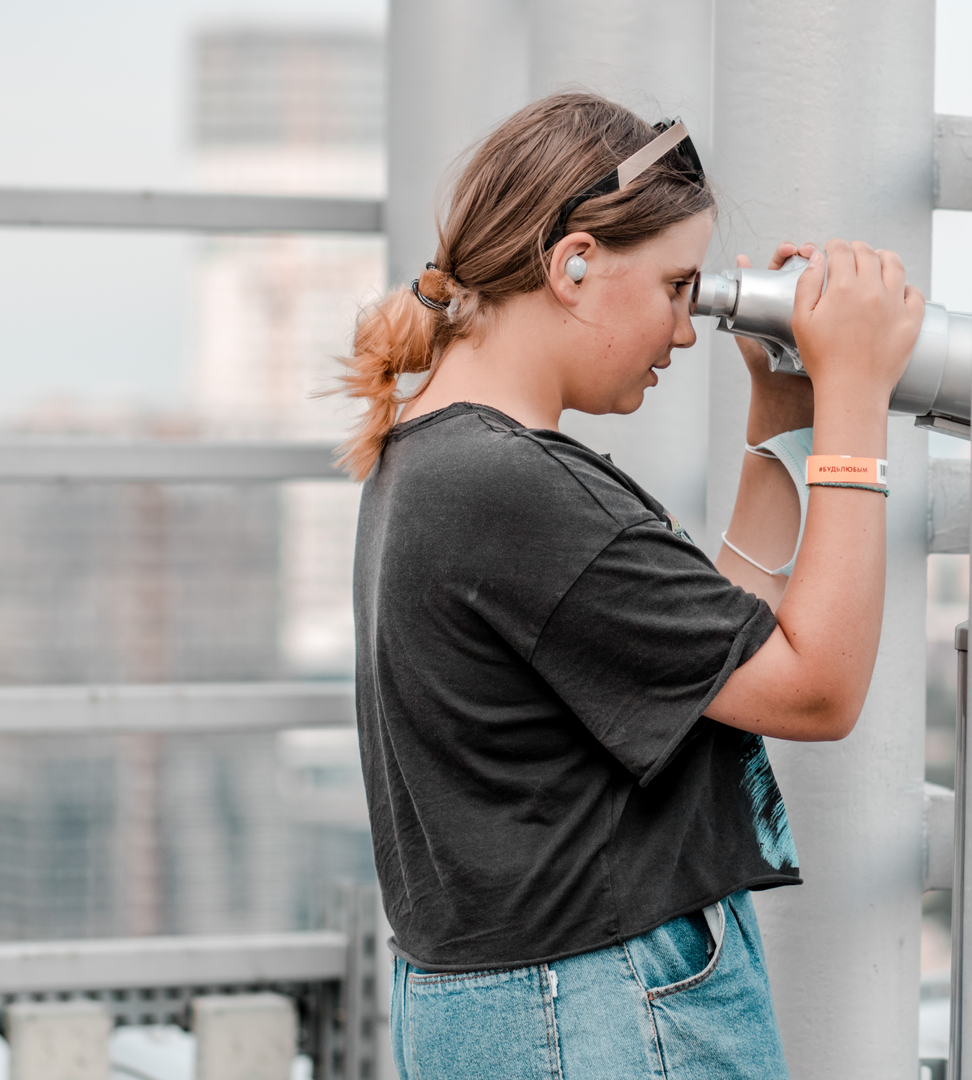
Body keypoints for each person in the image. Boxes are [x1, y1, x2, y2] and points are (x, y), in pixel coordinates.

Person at [337, 92, 922, 1080]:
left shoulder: (438, 463)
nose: (686, 332)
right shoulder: (513, 488)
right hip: (597, 1004)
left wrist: (779, 406)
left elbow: (723, 662)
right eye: (674, 287)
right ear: (574, 266)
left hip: (523, 1004)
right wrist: (858, 403)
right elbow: (816, 688)